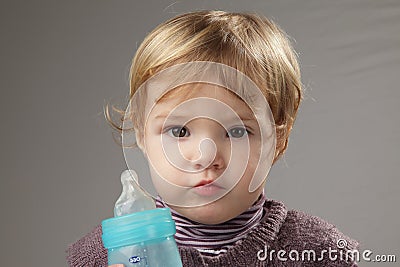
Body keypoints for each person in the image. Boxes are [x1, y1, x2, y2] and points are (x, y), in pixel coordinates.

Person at [67, 10, 359, 266]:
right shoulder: (102, 257)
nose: (207, 157)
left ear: (277, 140)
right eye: (179, 131)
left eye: (236, 131)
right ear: (142, 136)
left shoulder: (321, 252)